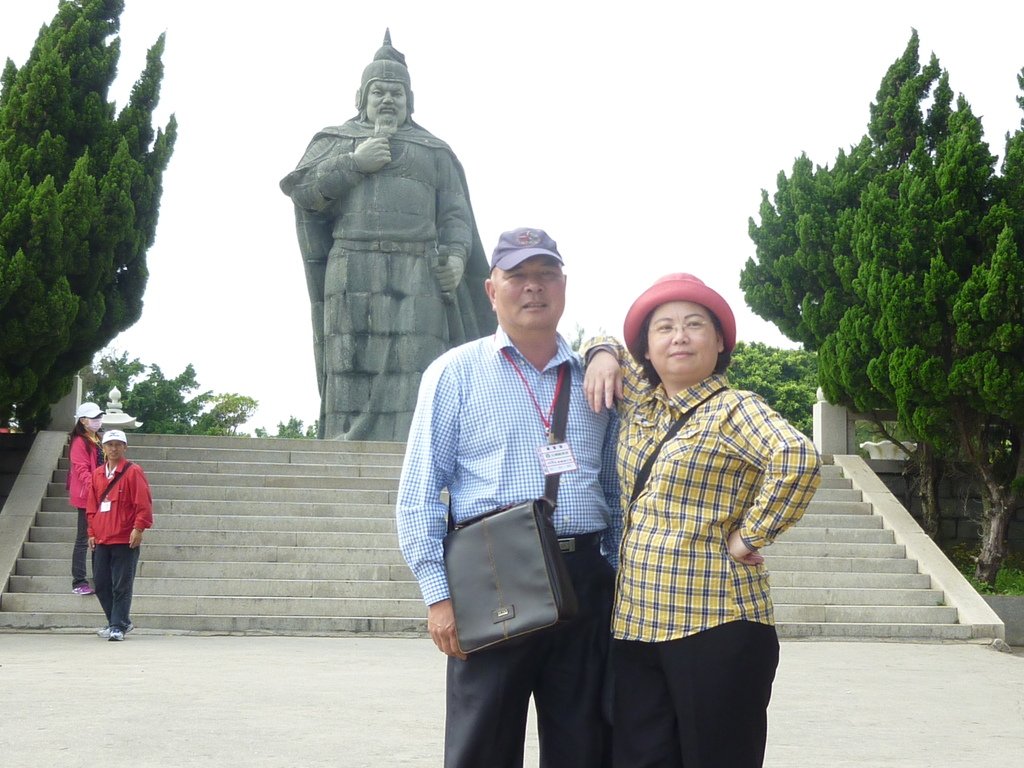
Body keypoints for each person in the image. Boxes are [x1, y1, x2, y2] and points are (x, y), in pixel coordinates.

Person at [397, 228, 621, 767]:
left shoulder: (599, 379)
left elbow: (613, 491)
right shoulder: (455, 373)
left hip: (584, 579)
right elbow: (419, 495)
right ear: (490, 289)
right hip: (494, 575)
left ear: (563, 286)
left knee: (584, 744)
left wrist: (612, 575)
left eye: (545, 275)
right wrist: (438, 597)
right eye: (517, 276)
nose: (533, 288)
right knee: (483, 746)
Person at [583, 273, 822, 768]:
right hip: (637, 624)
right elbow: (605, 338)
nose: (679, 336)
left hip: (715, 623)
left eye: (695, 325)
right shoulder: (643, 404)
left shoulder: (734, 408)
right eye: (664, 327)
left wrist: (750, 534)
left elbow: (796, 457)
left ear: (719, 342)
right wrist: (602, 352)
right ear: (646, 348)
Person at [280, 30, 495, 441]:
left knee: (421, 368)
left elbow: (455, 214)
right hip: (351, 268)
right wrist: (354, 163)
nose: (388, 100)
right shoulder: (335, 142)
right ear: (361, 97)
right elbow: (304, 193)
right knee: (349, 364)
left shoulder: (434, 151)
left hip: (419, 273)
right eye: (378, 91)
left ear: (409, 100)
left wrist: (454, 255)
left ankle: (420, 450)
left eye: (397, 92)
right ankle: (343, 448)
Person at [86, 429, 153, 642]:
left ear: (125, 447)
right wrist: (91, 531)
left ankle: (117, 626)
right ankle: (119, 621)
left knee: (121, 584)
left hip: (125, 537)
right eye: (109, 444)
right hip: (102, 537)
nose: (113, 448)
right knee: (102, 584)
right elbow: (91, 506)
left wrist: (139, 528)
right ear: (103, 448)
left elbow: (143, 502)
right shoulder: (97, 474)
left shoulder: (133, 471)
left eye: (118, 444)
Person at [67, 402, 104, 595]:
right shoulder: (79, 442)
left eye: (99, 417)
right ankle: (78, 582)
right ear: (83, 420)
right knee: (83, 538)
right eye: (94, 417)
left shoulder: (97, 438)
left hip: (100, 495)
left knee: (98, 538)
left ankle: (99, 579)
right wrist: (96, 489)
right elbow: (81, 470)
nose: (98, 420)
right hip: (87, 497)